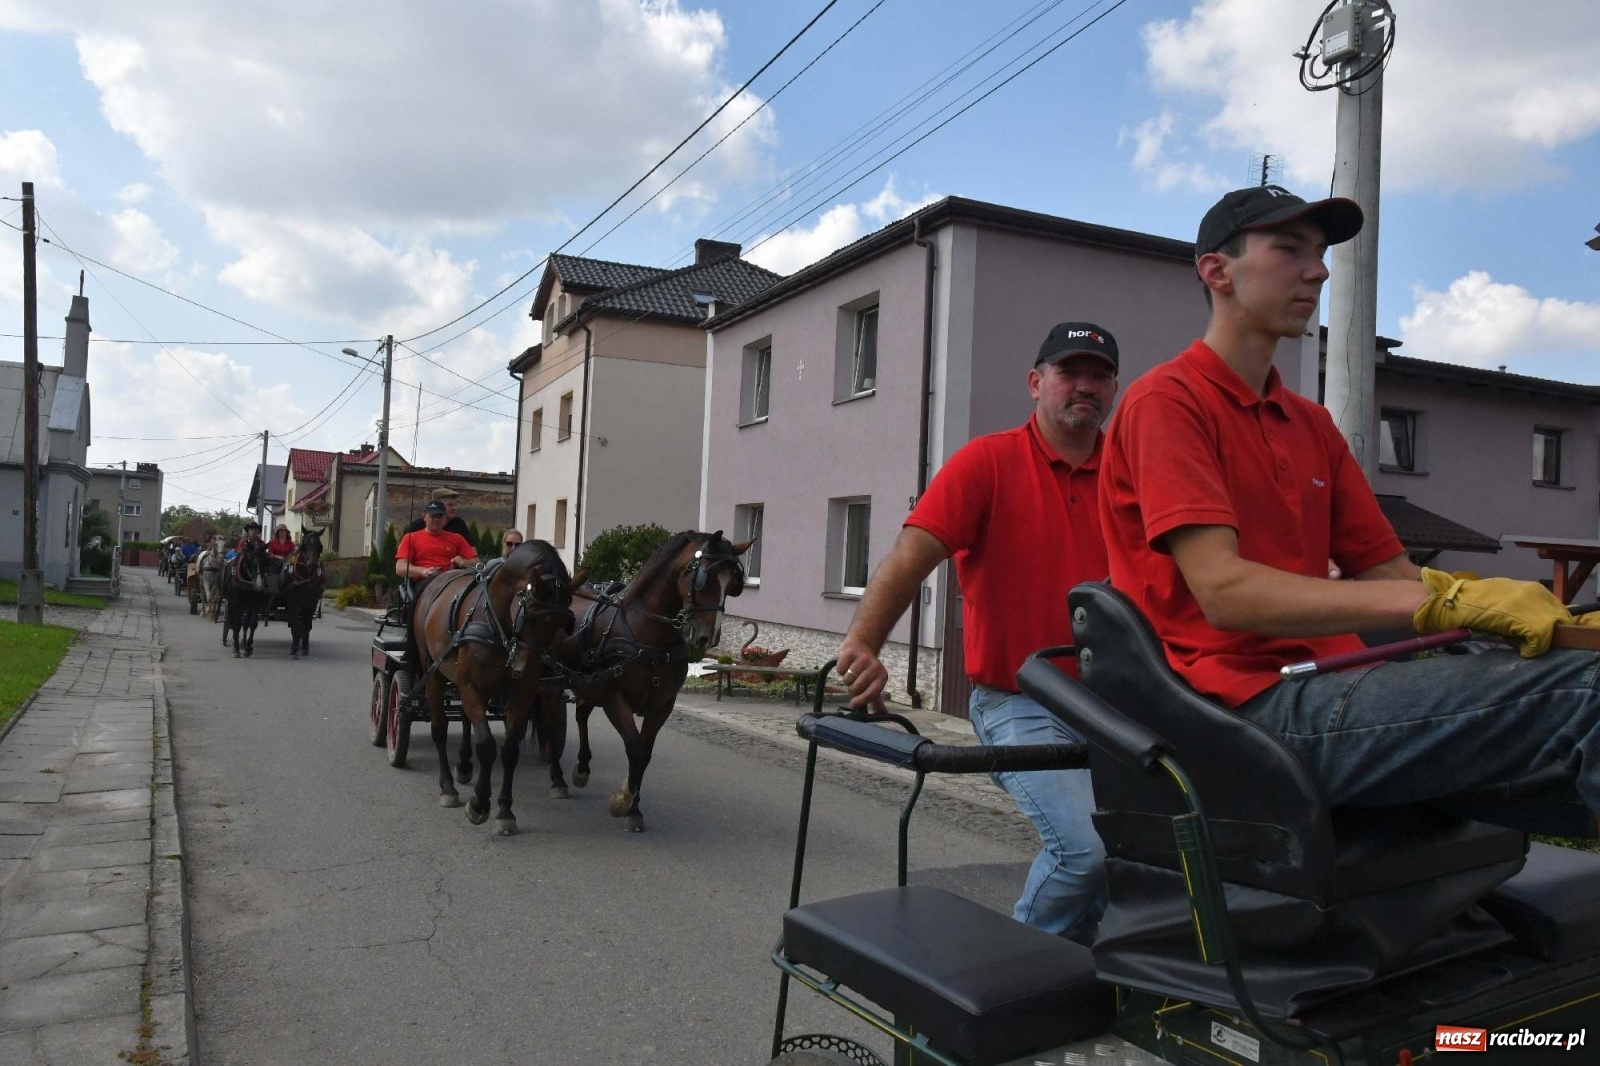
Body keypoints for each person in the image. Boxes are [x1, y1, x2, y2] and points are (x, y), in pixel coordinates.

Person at [1098, 183, 1600, 817]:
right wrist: (1444, 602)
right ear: (1217, 272)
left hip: (1335, 681)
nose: (1319, 270)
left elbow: (1389, 573)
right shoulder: (1167, 403)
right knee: (1590, 694)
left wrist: (1525, 616)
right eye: (1289, 250)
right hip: (1238, 709)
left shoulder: (1309, 424)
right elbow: (1225, 594)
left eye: (1320, 253)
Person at [834, 321, 1121, 946]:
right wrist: (864, 644)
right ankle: (1024, 971)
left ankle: (1097, 975)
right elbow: (910, 558)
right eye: (1070, 373)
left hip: (1116, 705)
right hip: (1022, 701)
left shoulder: (1132, 474)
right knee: (1085, 852)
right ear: (1035, 382)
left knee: (1148, 861)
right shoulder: (988, 462)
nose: (1085, 386)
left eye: (1099, 376)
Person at [395, 500, 477, 593]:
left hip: (452, 579)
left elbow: (476, 562)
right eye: (433, 516)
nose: (437, 520)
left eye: (440, 516)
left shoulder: (457, 538)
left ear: (445, 518)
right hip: (424, 582)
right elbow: (400, 568)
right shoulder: (410, 538)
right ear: (424, 517)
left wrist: (463, 562)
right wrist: (423, 571)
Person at [403, 487, 471, 539]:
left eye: (455, 505)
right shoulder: (418, 525)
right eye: (450, 505)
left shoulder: (459, 524)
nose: (454, 508)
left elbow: (471, 550)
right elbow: (402, 550)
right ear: (437, 505)